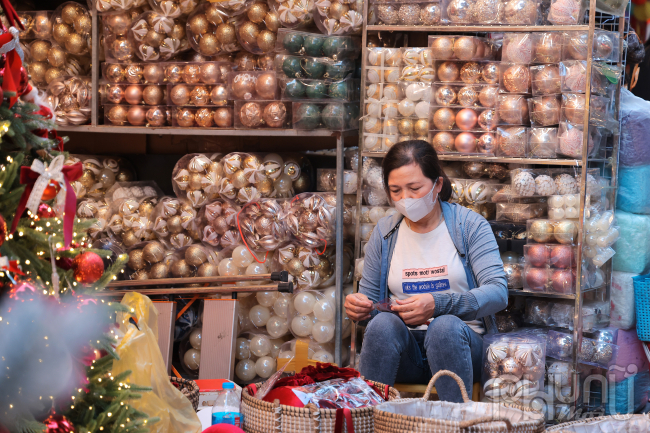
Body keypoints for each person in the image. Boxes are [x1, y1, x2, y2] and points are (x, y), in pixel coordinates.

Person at [345, 140, 507, 402]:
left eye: (415, 188)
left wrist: (438, 304)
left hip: (462, 347)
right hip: (406, 353)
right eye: (395, 190)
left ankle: (454, 425)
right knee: (382, 324)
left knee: (444, 328)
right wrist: (360, 308)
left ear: (437, 185)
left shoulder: (469, 225)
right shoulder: (385, 232)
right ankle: (367, 420)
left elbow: (498, 293)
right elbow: (372, 310)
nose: (405, 199)